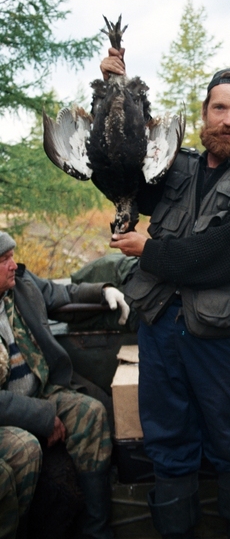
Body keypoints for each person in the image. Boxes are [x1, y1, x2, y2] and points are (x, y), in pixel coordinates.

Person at [100, 49, 230, 539]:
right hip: (161, 332)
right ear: (204, 112)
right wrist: (114, 93)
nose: (228, 120)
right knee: (167, 445)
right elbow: (119, 172)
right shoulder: (172, 164)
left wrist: (150, 250)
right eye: (219, 108)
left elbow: (221, 254)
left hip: (220, 341)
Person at [0, 231, 130, 539]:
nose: (13, 265)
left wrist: (103, 291)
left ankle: (96, 531)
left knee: (92, 413)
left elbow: (61, 292)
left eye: (12, 257)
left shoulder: (21, 286)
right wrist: (41, 417)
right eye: (4, 260)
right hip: (10, 411)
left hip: (40, 390)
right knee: (25, 449)